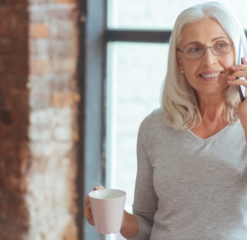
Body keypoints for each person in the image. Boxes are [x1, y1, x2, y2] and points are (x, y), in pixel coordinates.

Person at [84, 2, 247, 239]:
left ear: (239, 52)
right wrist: (120, 219)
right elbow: (147, 225)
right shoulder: (155, 127)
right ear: (179, 61)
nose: (209, 61)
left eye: (221, 45)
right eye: (194, 49)